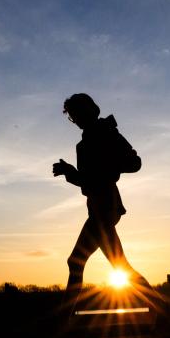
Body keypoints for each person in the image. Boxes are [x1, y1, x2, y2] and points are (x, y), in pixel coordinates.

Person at [53, 93, 159, 316]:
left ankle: (63, 319)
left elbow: (134, 162)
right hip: (97, 207)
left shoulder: (108, 133)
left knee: (77, 262)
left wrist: (107, 166)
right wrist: (69, 172)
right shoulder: (83, 145)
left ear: (91, 110)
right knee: (118, 265)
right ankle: (162, 309)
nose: (76, 119)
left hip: (106, 206)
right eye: (73, 116)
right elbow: (88, 181)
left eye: (78, 113)